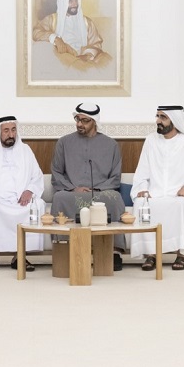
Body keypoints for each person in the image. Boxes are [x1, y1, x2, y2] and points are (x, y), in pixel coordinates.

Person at [130, 105, 184, 271]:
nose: (158, 121)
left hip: (178, 195)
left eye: (163, 117)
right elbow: (142, 172)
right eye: (157, 116)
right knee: (141, 204)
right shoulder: (151, 140)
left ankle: (181, 254)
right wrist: (143, 188)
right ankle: (150, 254)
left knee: (180, 204)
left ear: (174, 120)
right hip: (154, 193)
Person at [51, 102, 126, 271]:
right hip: (72, 192)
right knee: (59, 197)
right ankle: (63, 250)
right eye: (77, 119)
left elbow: (115, 177)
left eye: (84, 121)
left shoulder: (111, 145)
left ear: (94, 121)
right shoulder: (64, 142)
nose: (79, 124)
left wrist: (97, 189)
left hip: (101, 192)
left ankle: (113, 252)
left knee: (115, 198)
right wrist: (73, 188)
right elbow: (56, 173)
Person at [0, 116, 46, 273]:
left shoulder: (25, 150)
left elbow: (37, 175)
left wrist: (29, 190)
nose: (11, 135)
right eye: (6, 131)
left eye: (13, 130)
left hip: (20, 200)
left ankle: (20, 256)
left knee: (36, 205)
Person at [31, 0, 106, 63]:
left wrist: (88, 55)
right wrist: (55, 38)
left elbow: (96, 43)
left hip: (83, 58)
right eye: (71, 1)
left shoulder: (87, 22)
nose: (75, 4)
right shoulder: (52, 19)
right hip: (62, 58)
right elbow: (36, 32)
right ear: (63, 3)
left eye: (76, 0)